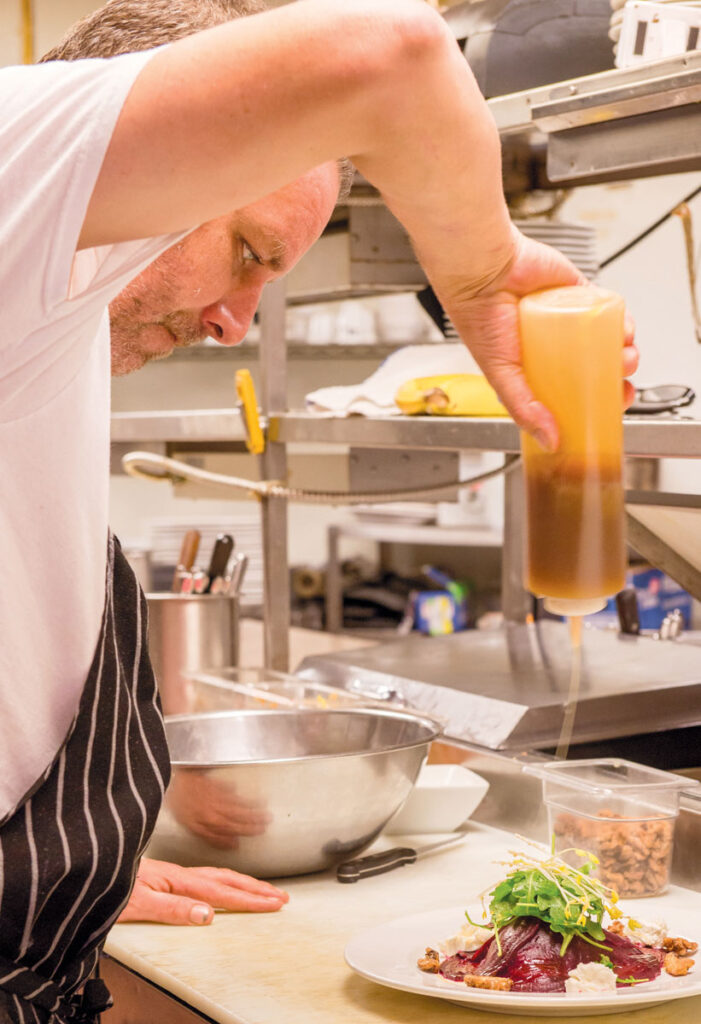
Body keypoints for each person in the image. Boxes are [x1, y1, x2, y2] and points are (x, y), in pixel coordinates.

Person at [0, 0, 638, 1020]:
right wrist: (480, 268)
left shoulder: (49, 334)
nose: (233, 321)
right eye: (249, 250)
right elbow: (390, 53)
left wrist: (71, 883)